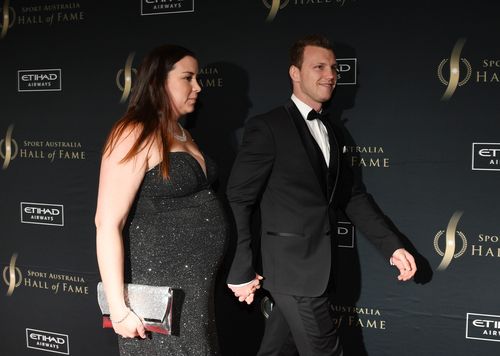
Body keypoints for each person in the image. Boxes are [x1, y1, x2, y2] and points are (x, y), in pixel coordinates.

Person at [226, 35, 417, 356]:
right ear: (295, 73)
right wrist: (241, 267)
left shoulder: (333, 131)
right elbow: (239, 198)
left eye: (333, 67)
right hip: (291, 272)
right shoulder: (268, 127)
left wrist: (392, 246)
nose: (329, 74)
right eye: (318, 66)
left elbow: (352, 197)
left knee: (276, 350)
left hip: (320, 269)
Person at [95, 44, 227, 356]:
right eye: (188, 77)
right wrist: (118, 309)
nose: (198, 86)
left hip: (194, 291)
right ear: (159, 81)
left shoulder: (181, 131)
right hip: (157, 289)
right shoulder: (134, 131)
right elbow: (107, 222)